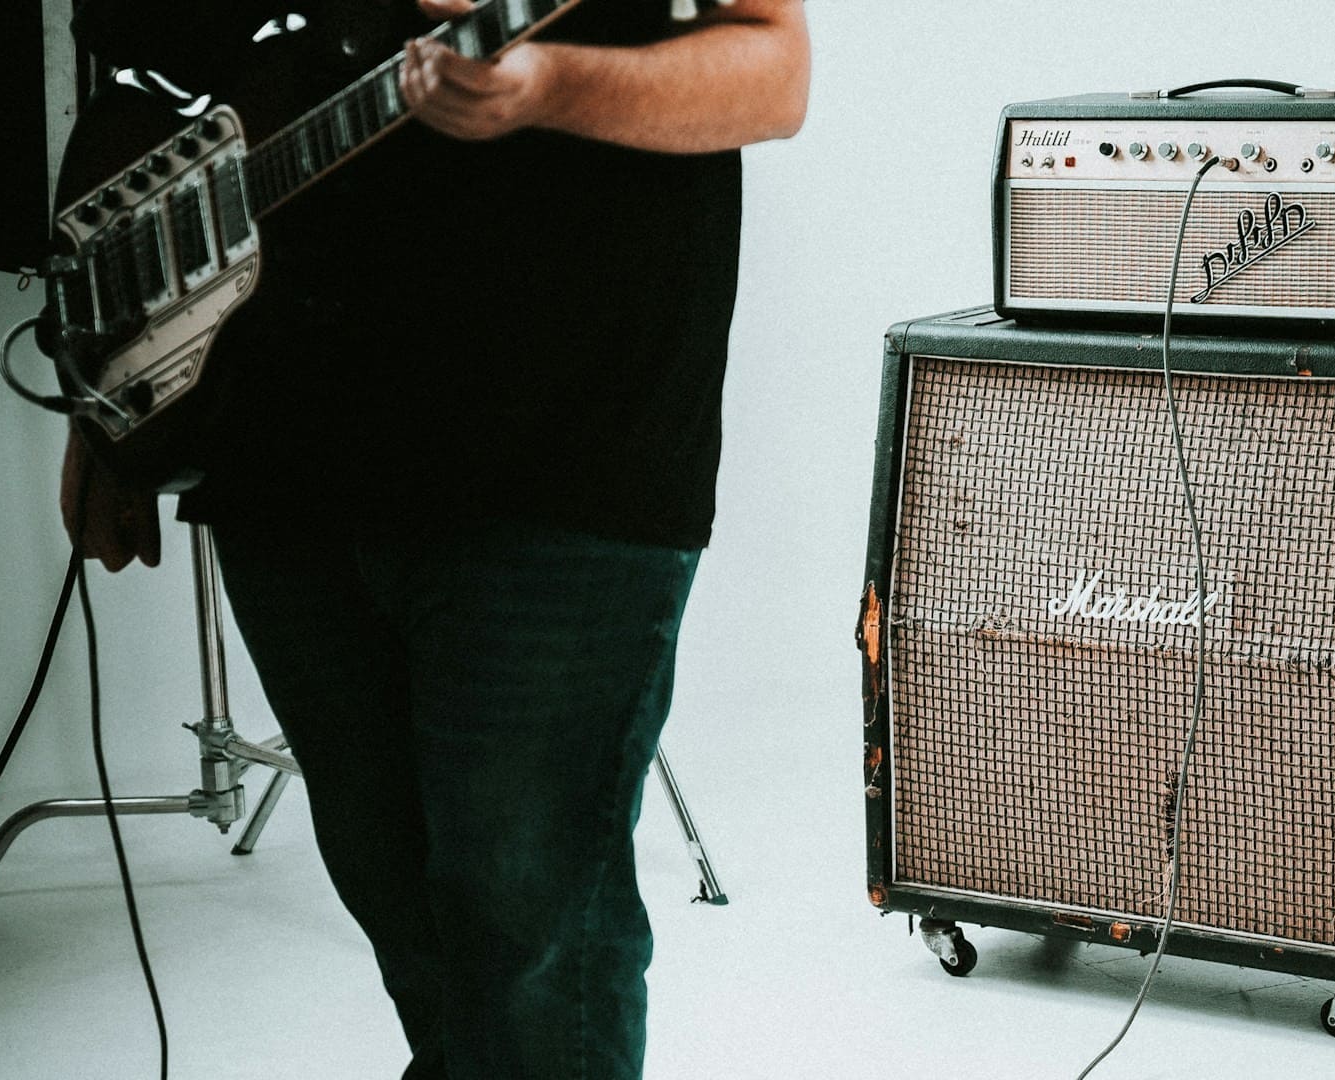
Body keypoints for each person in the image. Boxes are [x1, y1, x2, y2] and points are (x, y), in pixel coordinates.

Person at [58, 1, 810, 1076]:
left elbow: (773, 69)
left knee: (530, 946)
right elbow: (162, 83)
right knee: (411, 924)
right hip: (281, 459)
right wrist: (115, 382)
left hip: (561, 451)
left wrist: (551, 86)